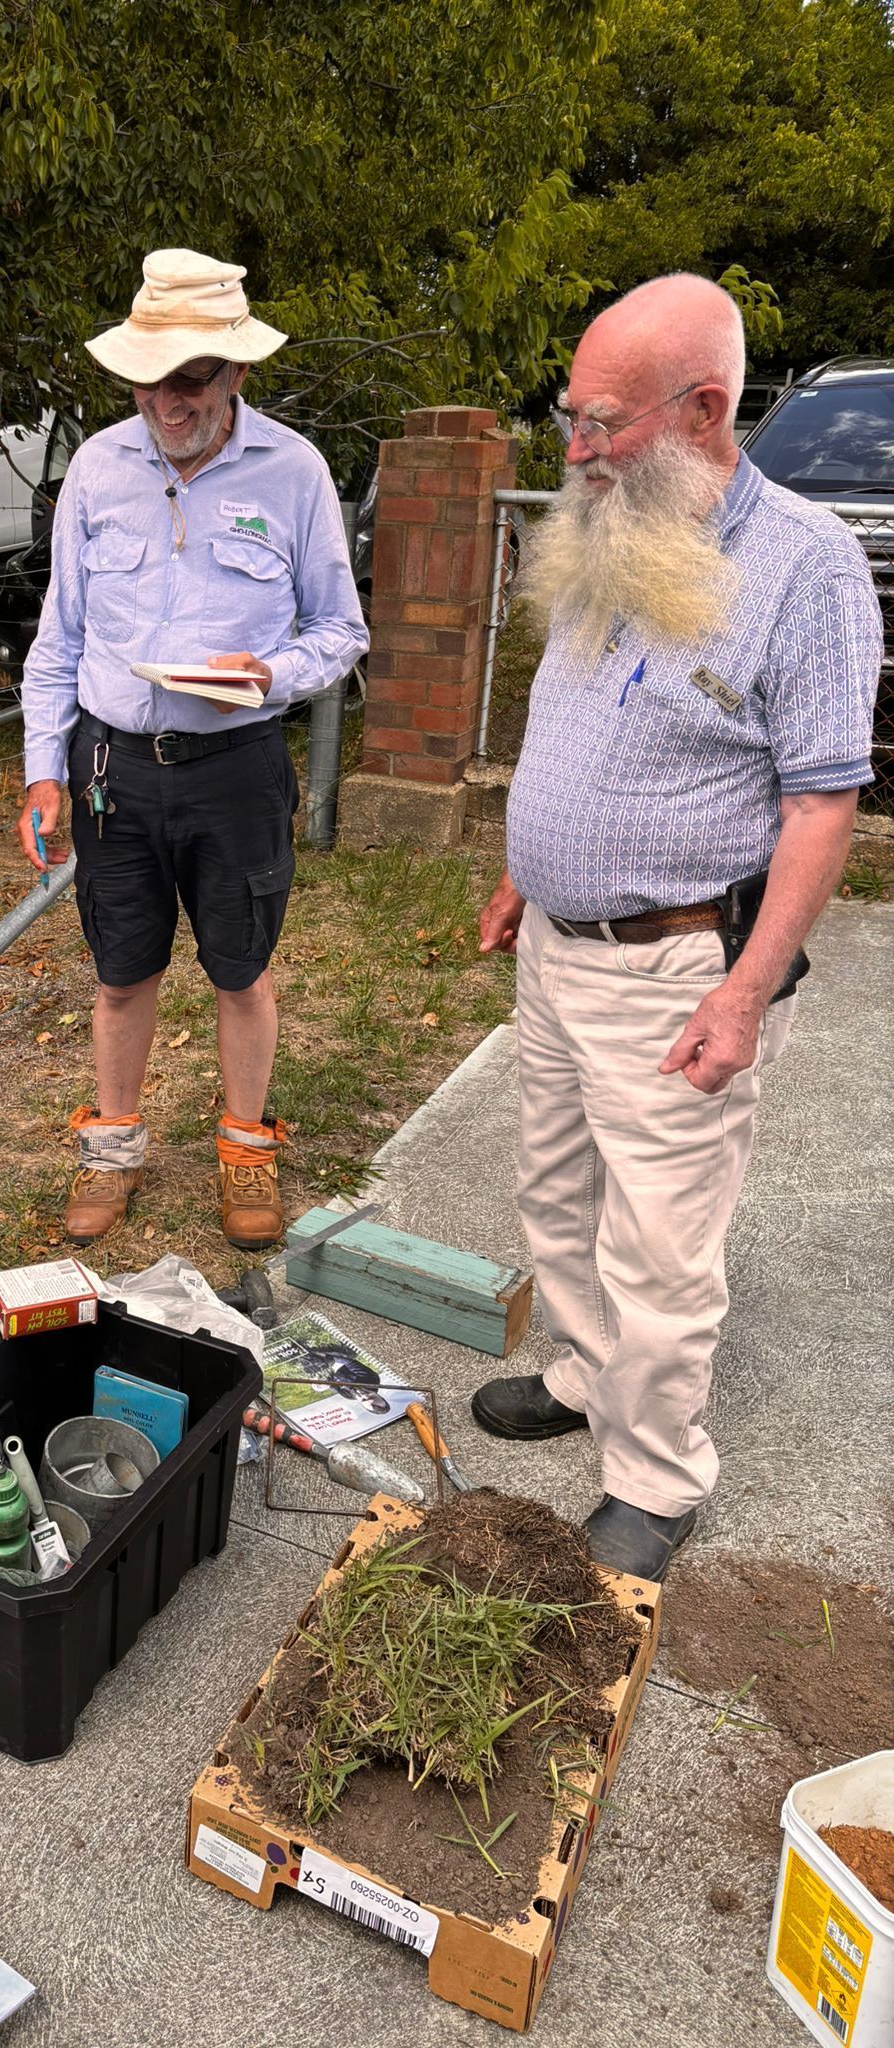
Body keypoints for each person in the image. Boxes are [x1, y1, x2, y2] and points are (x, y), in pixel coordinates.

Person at [472, 274, 881, 1581]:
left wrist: (747, 993)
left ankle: (655, 1477)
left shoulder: (803, 567)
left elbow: (824, 804)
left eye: (603, 422)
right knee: (557, 1189)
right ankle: (588, 1379)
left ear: (706, 409)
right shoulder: (615, 523)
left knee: (660, 1240)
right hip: (557, 948)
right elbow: (577, 716)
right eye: (569, 417)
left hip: (674, 966)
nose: (576, 450)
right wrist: (526, 871)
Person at [18, 248, 368, 1250]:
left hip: (238, 766)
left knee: (239, 970)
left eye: (193, 379)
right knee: (122, 971)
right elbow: (61, 637)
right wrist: (45, 769)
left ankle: (246, 1149)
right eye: (151, 377)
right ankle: (113, 1148)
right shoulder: (95, 468)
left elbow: (341, 630)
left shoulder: (294, 471)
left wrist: (273, 674)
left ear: (237, 374)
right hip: (113, 768)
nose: (169, 401)